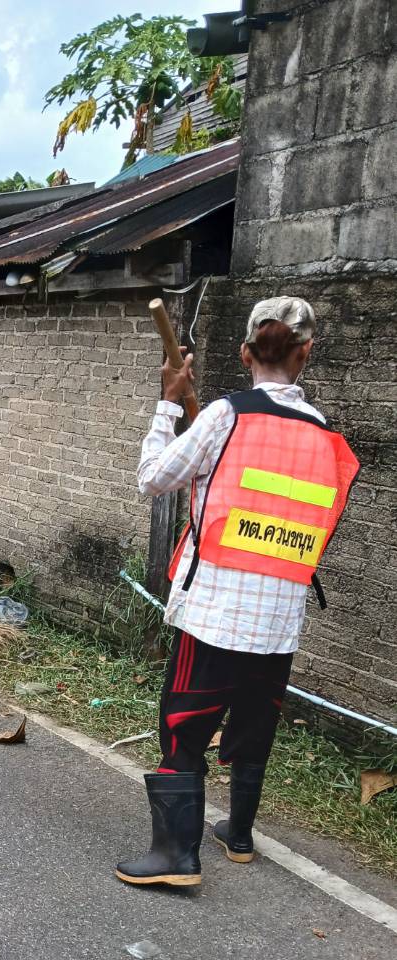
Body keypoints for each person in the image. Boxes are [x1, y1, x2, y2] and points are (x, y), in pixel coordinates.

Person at [116, 297, 359, 888]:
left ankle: (176, 856)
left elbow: (154, 479)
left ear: (246, 352)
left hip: (216, 614)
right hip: (278, 619)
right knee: (255, 725)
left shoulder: (224, 415)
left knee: (184, 726)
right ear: (307, 352)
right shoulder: (329, 437)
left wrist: (168, 404)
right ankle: (240, 834)